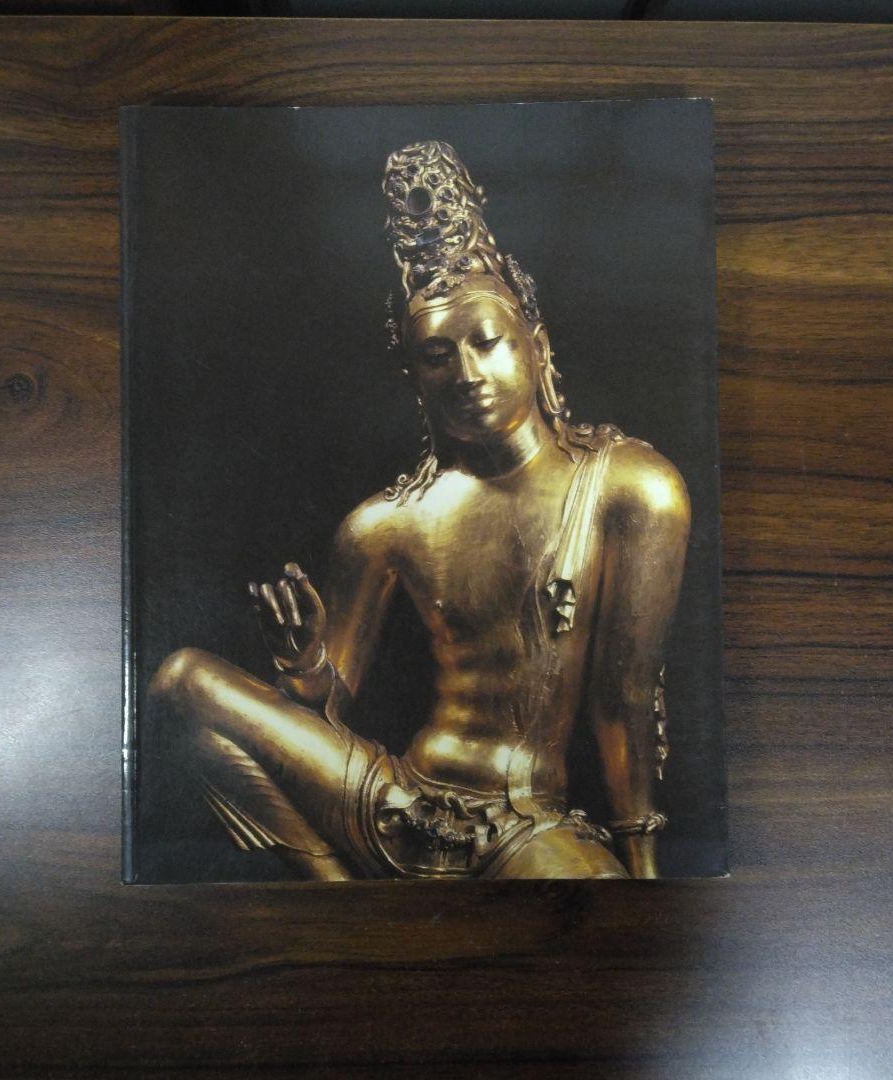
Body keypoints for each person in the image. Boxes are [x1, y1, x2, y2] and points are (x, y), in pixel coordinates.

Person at [150, 141, 690, 881]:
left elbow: (622, 697)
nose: (466, 373)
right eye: (437, 356)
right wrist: (304, 662)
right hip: (391, 799)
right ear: (415, 376)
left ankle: (371, 910)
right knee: (181, 681)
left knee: (593, 890)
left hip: (520, 824)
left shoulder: (628, 486)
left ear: (535, 345)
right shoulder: (387, 522)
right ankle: (339, 902)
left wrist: (644, 877)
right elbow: (326, 711)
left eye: (487, 343)